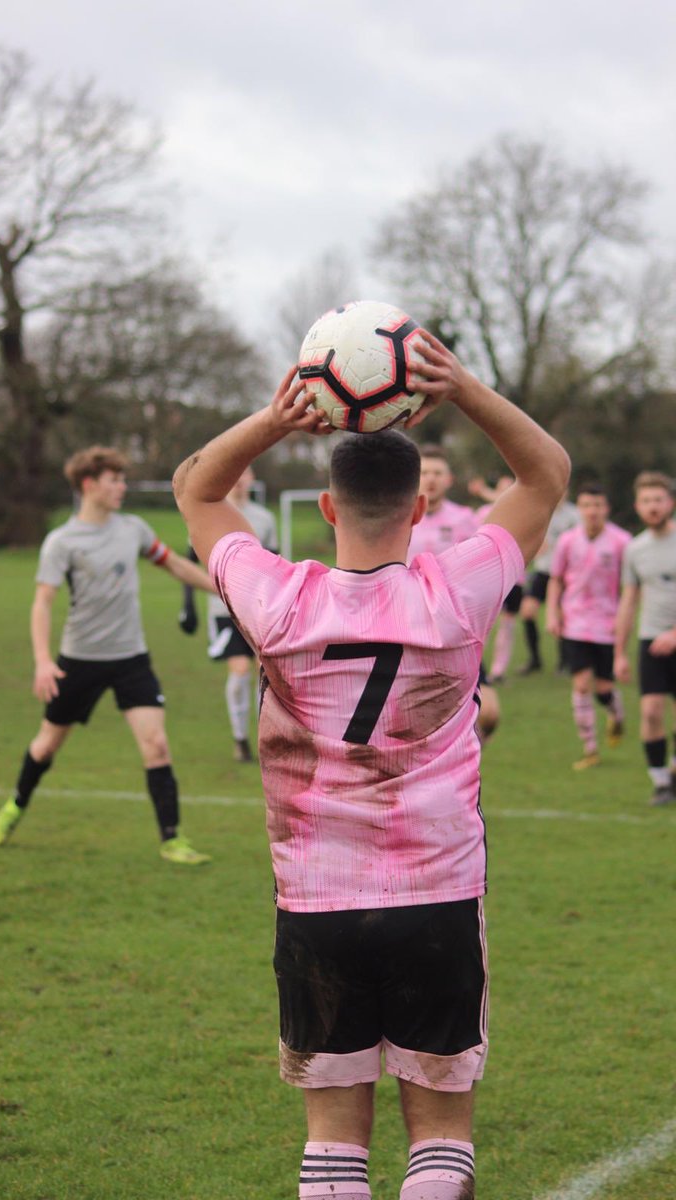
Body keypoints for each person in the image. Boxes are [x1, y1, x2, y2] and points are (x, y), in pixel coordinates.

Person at [173, 333, 570, 1200]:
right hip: (437, 892)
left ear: (326, 506)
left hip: (317, 904)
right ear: (419, 510)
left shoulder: (278, 598)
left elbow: (195, 487)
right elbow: (544, 474)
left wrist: (279, 418)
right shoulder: (457, 590)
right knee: (439, 1137)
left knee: (332, 1144)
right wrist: (461, 387)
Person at [0, 445, 215, 864]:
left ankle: (172, 839)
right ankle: (16, 804)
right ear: (89, 485)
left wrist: (221, 587)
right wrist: (42, 660)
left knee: (157, 745)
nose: (122, 487)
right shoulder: (61, 542)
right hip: (79, 661)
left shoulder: (134, 530)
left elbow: (175, 566)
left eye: (123, 479)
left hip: (131, 659)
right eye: (115, 480)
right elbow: (42, 602)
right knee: (46, 746)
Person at [179, 467, 278, 762]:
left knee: (267, 675)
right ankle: (240, 739)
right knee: (239, 672)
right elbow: (189, 563)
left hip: (259, 610)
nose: (239, 479)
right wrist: (188, 605)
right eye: (236, 473)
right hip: (223, 611)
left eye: (245, 473)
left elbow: (275, 564)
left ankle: (266, 738)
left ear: (251, 479)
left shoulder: (264, 518)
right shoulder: (210, 515)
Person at [408, 452, 500, 741]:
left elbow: (481, 566)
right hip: (412, 627)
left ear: (449, 480)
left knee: (489, 713)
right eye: (425, 473)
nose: (431, 479)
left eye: (437, 473)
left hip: (458, 628)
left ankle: (468, 757)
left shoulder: (464, 519)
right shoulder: (402, 517)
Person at [545, 484, 631, 770]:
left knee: (603, 689)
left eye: (597, 505)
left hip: (607, 624)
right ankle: (590, 749)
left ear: (606, 508)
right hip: (575, 623)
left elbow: (631, 586)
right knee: (581, 684)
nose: (592, 511)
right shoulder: (568, 541)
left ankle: (616, 714)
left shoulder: (621, 542)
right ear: (579, 509)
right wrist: (553, 614)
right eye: (586, 505)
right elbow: (555, 578)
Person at [614, 471, 676, 806]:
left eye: (658, 500)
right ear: (638, 506)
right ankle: (662, 783)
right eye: (646, 501)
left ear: (671, 504)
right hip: (651, 640)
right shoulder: (635, 549)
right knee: (651, 711)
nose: (653, 507)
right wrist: (620, 653)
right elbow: (628, 601)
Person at [517, 496, 579, 674]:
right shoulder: (540, 511)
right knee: (527, 612)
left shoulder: (574, 515)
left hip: (565, 574)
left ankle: (565, 661)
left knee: (562, 616)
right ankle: (535, 659)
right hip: (543, 571)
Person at [470, 476, 520, 683]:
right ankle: (477, 666)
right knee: (484, 626)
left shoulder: (520, 516)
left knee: (507, 626)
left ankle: (499, 669)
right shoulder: (482, 513)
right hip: (487, 579)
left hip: (515, 580)